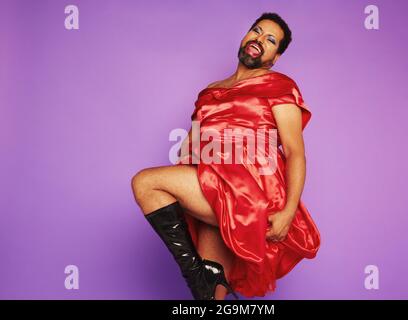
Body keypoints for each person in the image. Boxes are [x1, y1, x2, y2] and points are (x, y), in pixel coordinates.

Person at [131, 12, 321, 300]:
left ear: (276, 56)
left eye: (270, 40)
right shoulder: (209, 92)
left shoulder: (281, 85)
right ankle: (203, 279)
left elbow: (295, 152)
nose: (259, 39)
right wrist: (189, 172)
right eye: (256, 31)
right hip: (212, 182)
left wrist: (289, 210)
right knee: (211, 298)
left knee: (146, 182)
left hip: (253, 192)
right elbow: (190, 147)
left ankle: (195, 274)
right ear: (245, 37)